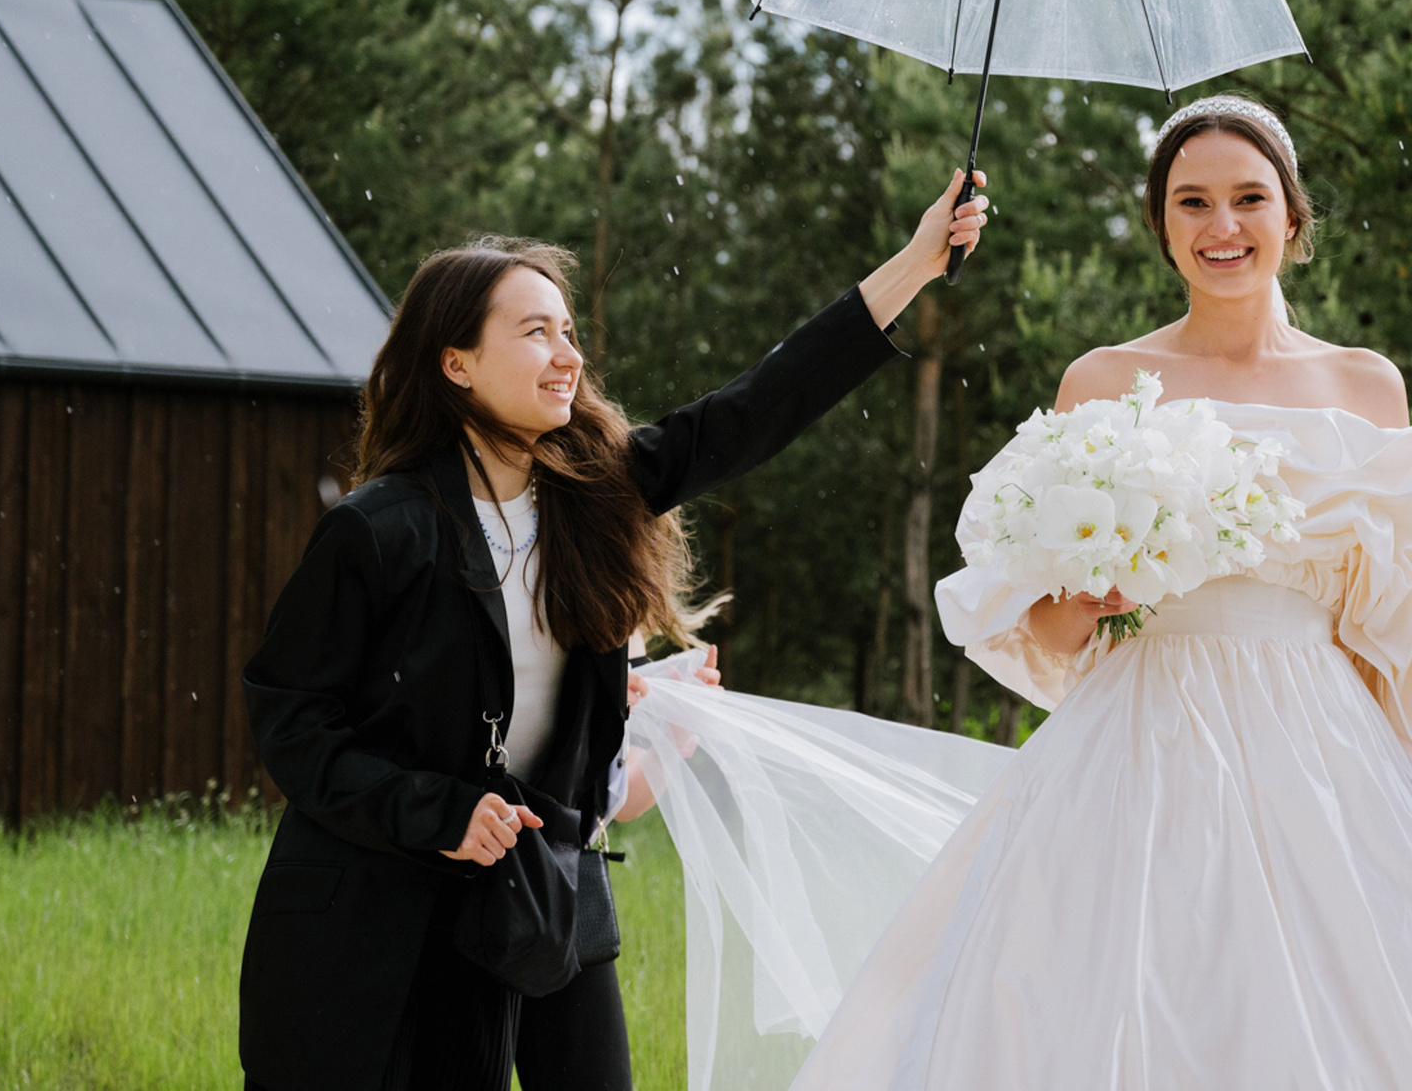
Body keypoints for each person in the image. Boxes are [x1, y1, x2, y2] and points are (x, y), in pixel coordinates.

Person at [784, 95, 1412, 1090]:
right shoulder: (1105, 382)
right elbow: (1052, 631)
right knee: (1106, 1009)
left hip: (1317, 757)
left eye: (1248, 198)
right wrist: (1092, 593)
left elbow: (1398, 635)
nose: (1222, 227)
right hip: (1131, 745)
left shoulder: (1364, 386)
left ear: (1293, 215)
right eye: (1191, 202)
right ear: (1162, 224)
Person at [235, 171, 988, 1091]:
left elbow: (755, 410)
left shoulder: (599, 494)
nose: (568, 356)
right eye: (535, 332)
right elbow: (293, 724)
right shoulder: (379, 529)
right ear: (455, 363)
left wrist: (916, 262)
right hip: (383, 914)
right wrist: (437, 813)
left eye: (570, 332)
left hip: (553, 883)